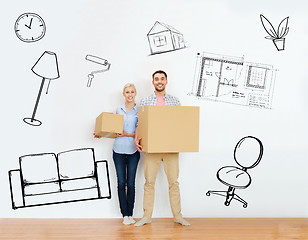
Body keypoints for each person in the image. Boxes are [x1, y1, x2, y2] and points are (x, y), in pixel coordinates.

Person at [134, 70, 190, 226]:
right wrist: (136, 138)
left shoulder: (175, 101)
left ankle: (178, 216)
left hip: (171, 147)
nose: (159, 81)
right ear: (153, 82)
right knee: (149, 182)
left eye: (162, 79)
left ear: (166, 81)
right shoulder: (145, 101)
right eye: (156, 79)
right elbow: (140, 123)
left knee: (174, 182)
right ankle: (146, 217)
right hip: (152, 148)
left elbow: (180, 123)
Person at [94, 83, 140, 225]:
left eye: (132, 92)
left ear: (135, 94)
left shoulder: (140, 111)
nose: (130, 94)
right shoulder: (118, 110)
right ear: (123, 94)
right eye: (127, 92)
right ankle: (124, 215)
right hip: (118, 151)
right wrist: (102, 134)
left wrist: (128, 134)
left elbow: (141, 131)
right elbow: (114, 130)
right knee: (121, 183)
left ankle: (130, 214)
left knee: (131, 184)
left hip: (133, 151)